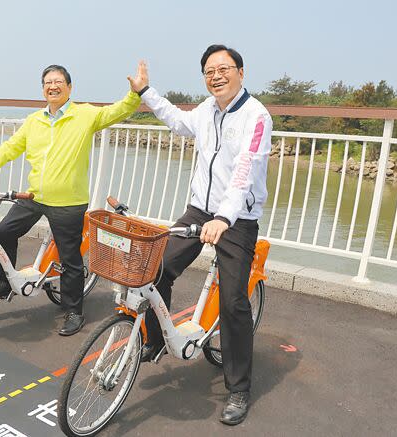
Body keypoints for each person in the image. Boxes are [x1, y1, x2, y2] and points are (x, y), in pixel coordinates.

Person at [127, 45, 272, 425]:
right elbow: (177, 121)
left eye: (224, 69)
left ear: (241, 72)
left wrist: (224, 217)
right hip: (199, 211)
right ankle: (156, 341)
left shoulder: (256, 116)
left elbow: (244, 172)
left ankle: (239, 388)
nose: (216, 76)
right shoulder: (206, 111)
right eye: (209, 71)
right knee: (157, 270)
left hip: (237, 219)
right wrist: (146, 92)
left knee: (234, 304)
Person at [0, 65, 142, 336]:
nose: (52, 86)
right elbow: (9, 149)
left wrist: (134, 95)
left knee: (70, 259)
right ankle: (5, 282)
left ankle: (73, 311)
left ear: (69, 88)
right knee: (4, 231)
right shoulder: (35, 121)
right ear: (43, 88)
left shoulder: (85, 115)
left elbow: (116, 111)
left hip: (69, 201)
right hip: (35, 196)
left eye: (58, 82)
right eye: (47, 82)